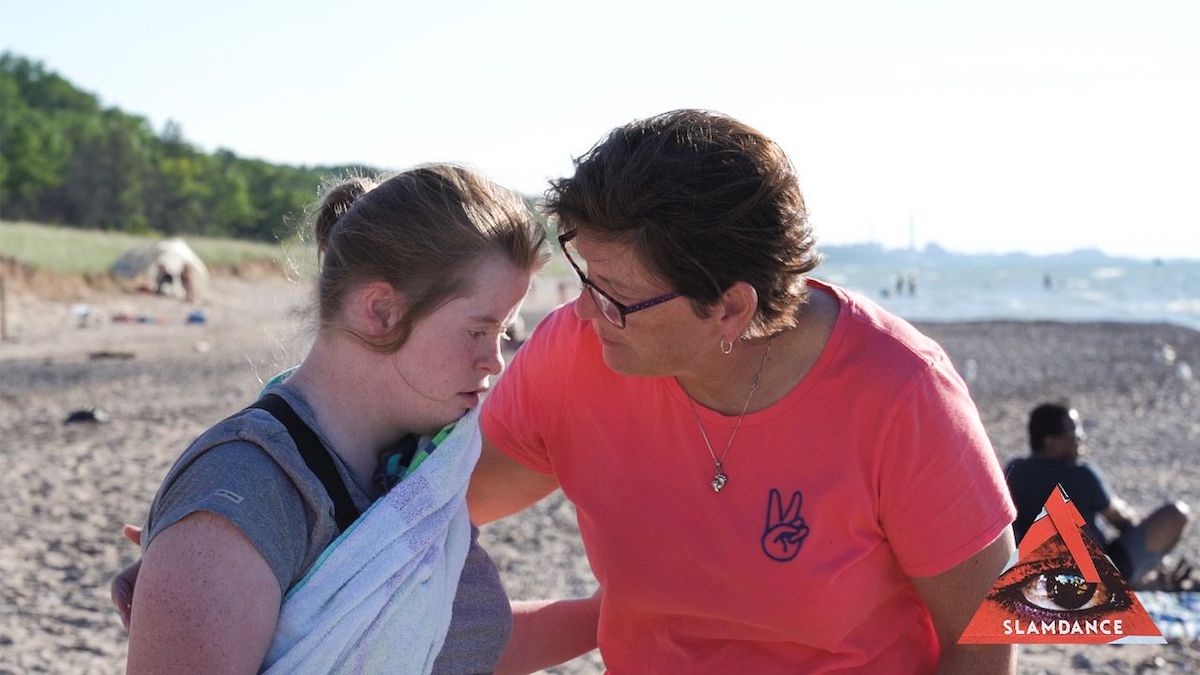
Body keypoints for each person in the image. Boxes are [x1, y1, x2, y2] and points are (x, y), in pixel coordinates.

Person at [468, 110, 1017, 672]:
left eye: (616, 296)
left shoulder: (903, 391)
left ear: (730, 308)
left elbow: (985, 638)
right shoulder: (575, 353)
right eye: (585, 274)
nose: (585, 310)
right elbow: (443, 508)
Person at [119, 165, 598, 674]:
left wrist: (610, 614)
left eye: (502, 334)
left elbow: (441, 646)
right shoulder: (243, 494)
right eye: (478, 331)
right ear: (381, 312)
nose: (494, 361)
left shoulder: (415, 469)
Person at [1006, 402, 1191, 587]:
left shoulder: (1014, 471)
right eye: (1073, 433)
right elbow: (1121, 520)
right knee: (1177, 513)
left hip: (1032, 576)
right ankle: (1144, 579)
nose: (1080, 438)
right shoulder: (1081, 474)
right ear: (1050, 440)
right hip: (1096, 576)